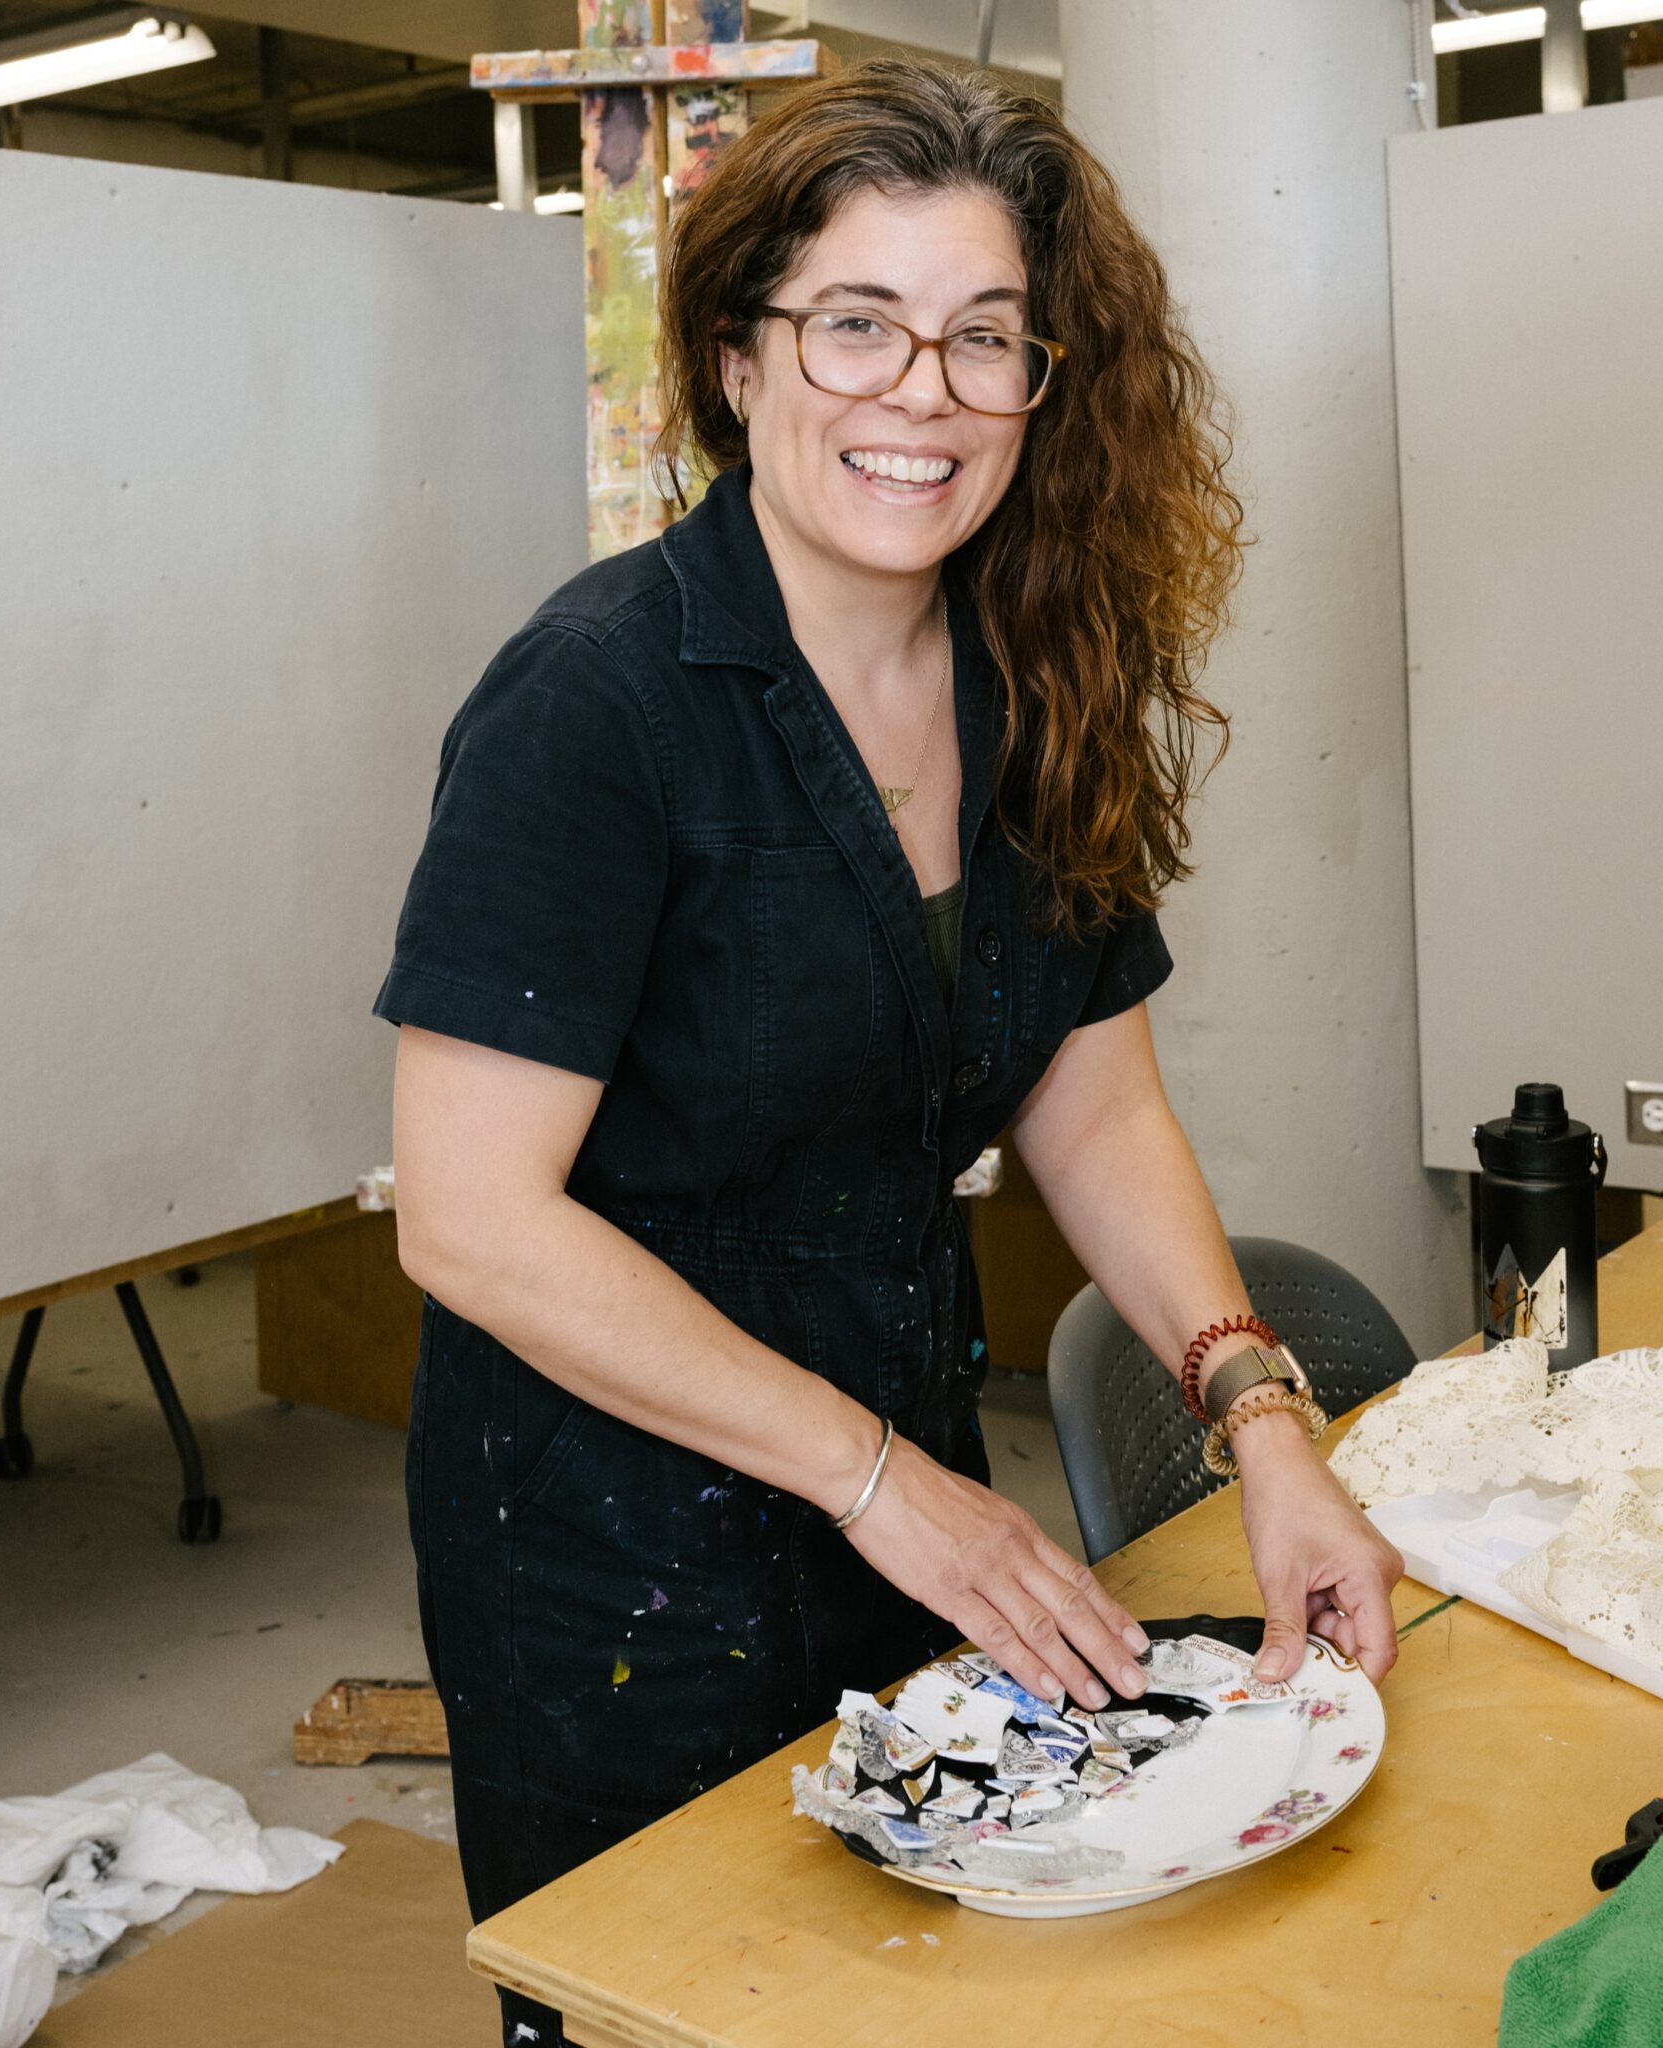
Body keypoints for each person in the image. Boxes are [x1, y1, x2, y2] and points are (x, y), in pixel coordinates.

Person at [378, 58, 1406, 2044]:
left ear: (1043, 380)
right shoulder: (592, 705)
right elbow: (471, 1221)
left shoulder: (1032, 674)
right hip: (618, 1556)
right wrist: (881, 1486)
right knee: (685, 2000)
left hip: (907, 1491)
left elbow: (1085, 1084)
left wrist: (1259, 1420)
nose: (917, 393)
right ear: (738, 352)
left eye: (981, 339)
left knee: (921, 1987)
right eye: (854, 323)